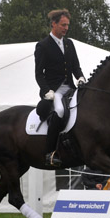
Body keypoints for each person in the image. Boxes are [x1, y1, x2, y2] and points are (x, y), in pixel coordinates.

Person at [34, 9, 85, 167]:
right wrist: (46, 90)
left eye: (67, 25)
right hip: (54, 90)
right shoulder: (43, 46)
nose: (66, 28)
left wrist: (81, 77)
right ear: (53, 24)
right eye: (63, 25)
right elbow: (39, 73)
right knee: (61, 111)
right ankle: (50, 152)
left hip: (70, 86)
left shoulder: (69, 44)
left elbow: (75, 66)